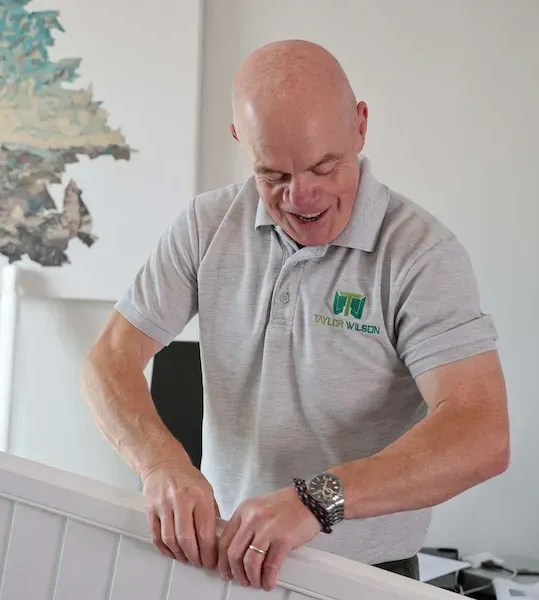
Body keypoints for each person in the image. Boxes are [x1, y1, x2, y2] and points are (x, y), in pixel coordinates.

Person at [80, 39, 510, 592]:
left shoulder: (420, 253)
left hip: (362, 576)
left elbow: (480, 432)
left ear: (360, 126)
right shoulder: (207, 226)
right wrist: (160, 465)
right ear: (241, 140)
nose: (302, 197)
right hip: (219, 559)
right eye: (273, 175)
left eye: (324, 167)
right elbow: (108, 362)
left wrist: (318, 499)